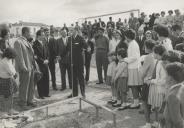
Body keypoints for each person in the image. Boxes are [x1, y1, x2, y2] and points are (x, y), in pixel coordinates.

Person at [14, 27, 36, 109]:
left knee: (31, 85)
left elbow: (31, 54)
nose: (31, 34)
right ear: (25, 32)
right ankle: (22, 103)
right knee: (24, 86)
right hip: (25, 68)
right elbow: (19, 56)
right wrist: (23, 67)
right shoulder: (18, 41)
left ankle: (29, 101)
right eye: (30, 32)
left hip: (30, 66)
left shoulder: (26, 41)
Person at [147, 45, 167, 127]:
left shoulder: (162, 63)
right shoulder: (158, 61)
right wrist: (150, 78)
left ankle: (160, 124)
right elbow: (156, 75)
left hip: (159, 89)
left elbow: (162, 80)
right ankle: (156, 122)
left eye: (154, 52)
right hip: (156, 87)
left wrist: (151, 81)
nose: (152, 54)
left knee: (160, 108)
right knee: (155, 107)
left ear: (158, 53)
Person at [67, 27, 87, 98]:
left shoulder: (80, 38)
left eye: (72, 30)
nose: (71, 32)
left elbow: (85, 45)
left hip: (79, 61)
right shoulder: (69, 39)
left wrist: (87, 47)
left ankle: (83, 92)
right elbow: (67, 49)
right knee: (73, 78)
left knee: (81, 77)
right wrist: (60, 55)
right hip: (72, 62)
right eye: (70, 31)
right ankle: (74, 93)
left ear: (76, 31)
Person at [139, 40, 156, 128]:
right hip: (155, 82)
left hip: (148, 82)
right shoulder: (156, 56)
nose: (144, 48)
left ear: (148, 47)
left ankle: (148, 123)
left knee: (145, 103)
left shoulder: (148, 57)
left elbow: (143, 71)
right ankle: (156, 122)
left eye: (145, 46)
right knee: (155, 103)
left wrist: (141, 75)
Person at [124, 29, 142, 109]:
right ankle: (136, 101)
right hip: (132, 67)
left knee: (134, 86)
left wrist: (125, 60)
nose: (125, 38)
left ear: (128, 36)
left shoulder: (133, 44)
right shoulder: (131, 43)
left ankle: (136, 103)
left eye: (125, 36)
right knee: (134, 86)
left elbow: (134, 57)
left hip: (134, 67)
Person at [164, 62, 184, 128]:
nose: (165, 77)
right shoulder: (181, 87)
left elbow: (177, 121)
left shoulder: (172, 96)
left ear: (170, 78)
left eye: (166, 74)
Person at [33, 30, 50, 99]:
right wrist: (43, 61)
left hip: (46, 64)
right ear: (38, 36)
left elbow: (48, 52)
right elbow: (36, 56)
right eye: (42, 35)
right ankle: (41, 94)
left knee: (46, 78)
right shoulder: (35, 44)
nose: (44, 36)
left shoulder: (44, 42)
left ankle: (46, 93)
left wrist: (47, 59)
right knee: (40, 80)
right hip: (39, 65)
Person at [0, 48, 17, 114]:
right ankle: (4, 111)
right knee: (6, 96)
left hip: (9, 79)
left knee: (11, 95)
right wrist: (14, 73)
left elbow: (13, 68)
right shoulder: (4, 62)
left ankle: (10, 109)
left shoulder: (8, 60)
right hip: (5, 80)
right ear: (9, 55)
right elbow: (11, 71)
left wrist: (14, 72)